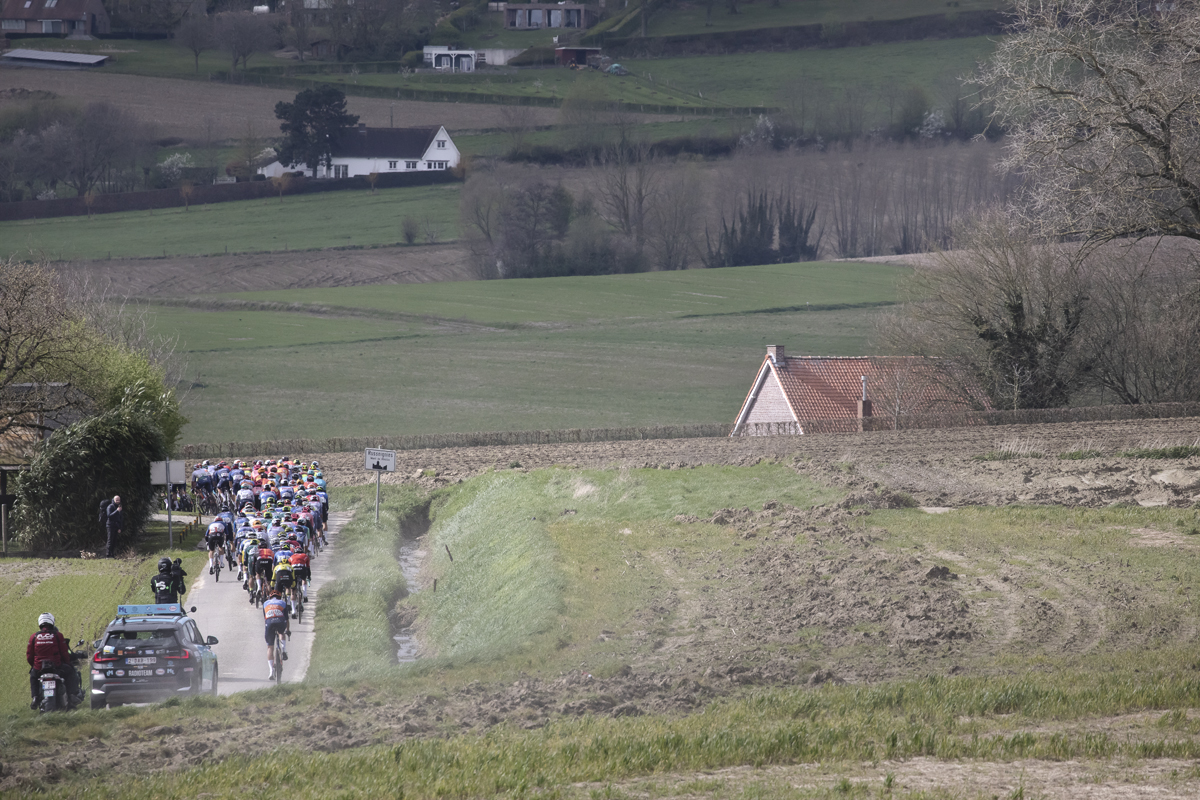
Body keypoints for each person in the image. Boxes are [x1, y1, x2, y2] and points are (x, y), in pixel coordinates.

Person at [27, 612, 82, 709]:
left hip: (39, 668)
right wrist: (67, 663)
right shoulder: (58, 635)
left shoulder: (34, 637)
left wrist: (34, 666)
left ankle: (35, 698)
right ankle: (72, 695)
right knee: (71, 672)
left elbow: (29, 655)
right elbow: (64, 652)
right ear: (52, 622)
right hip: (57, 666)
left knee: (33, 677)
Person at [263, 590, 290, 680]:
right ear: (280, 597)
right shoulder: (282, 603)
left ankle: (271, 671)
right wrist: (288, 630)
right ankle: (283, 650)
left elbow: (265, 619)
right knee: (281, 633)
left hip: (269, 623)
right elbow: (286, 619)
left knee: (270, 647)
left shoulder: (265, 603)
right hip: (280, 621)